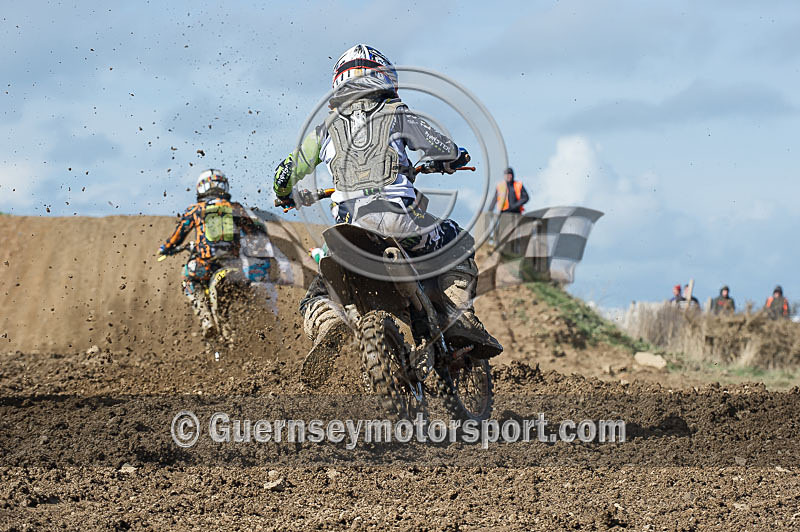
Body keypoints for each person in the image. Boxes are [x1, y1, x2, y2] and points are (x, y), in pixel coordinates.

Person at [273, 44, 502, 370]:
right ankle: (459, 315)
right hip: (404, 224)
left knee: (318, 294)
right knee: (457, 240)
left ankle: (328, 324)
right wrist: (454, 157)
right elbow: (440, 146)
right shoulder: (398, 114)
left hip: (347, 231)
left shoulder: (322, 131)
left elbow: (283, 175)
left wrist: (284, 193)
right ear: (384, 79)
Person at [159, 169, 267, 336]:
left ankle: (206, 318)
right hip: (234, 268)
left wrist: (165, 248)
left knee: (187, 277)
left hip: (206, 266)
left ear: (201, 188)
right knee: (249, 289)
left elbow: (177, 236)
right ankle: (253, 324)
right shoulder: (236, 208)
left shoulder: (196, 209)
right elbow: (254, 234)